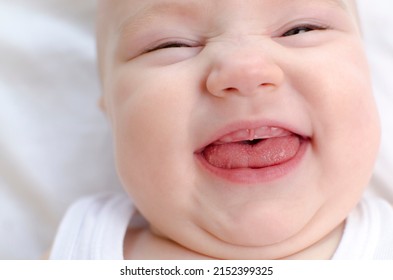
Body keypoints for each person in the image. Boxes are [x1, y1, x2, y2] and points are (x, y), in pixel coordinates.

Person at [49, 0, 393, 259]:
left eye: (300, 30)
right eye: (171, 45)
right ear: (110, 109)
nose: (244, 72)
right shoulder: (79, 247)